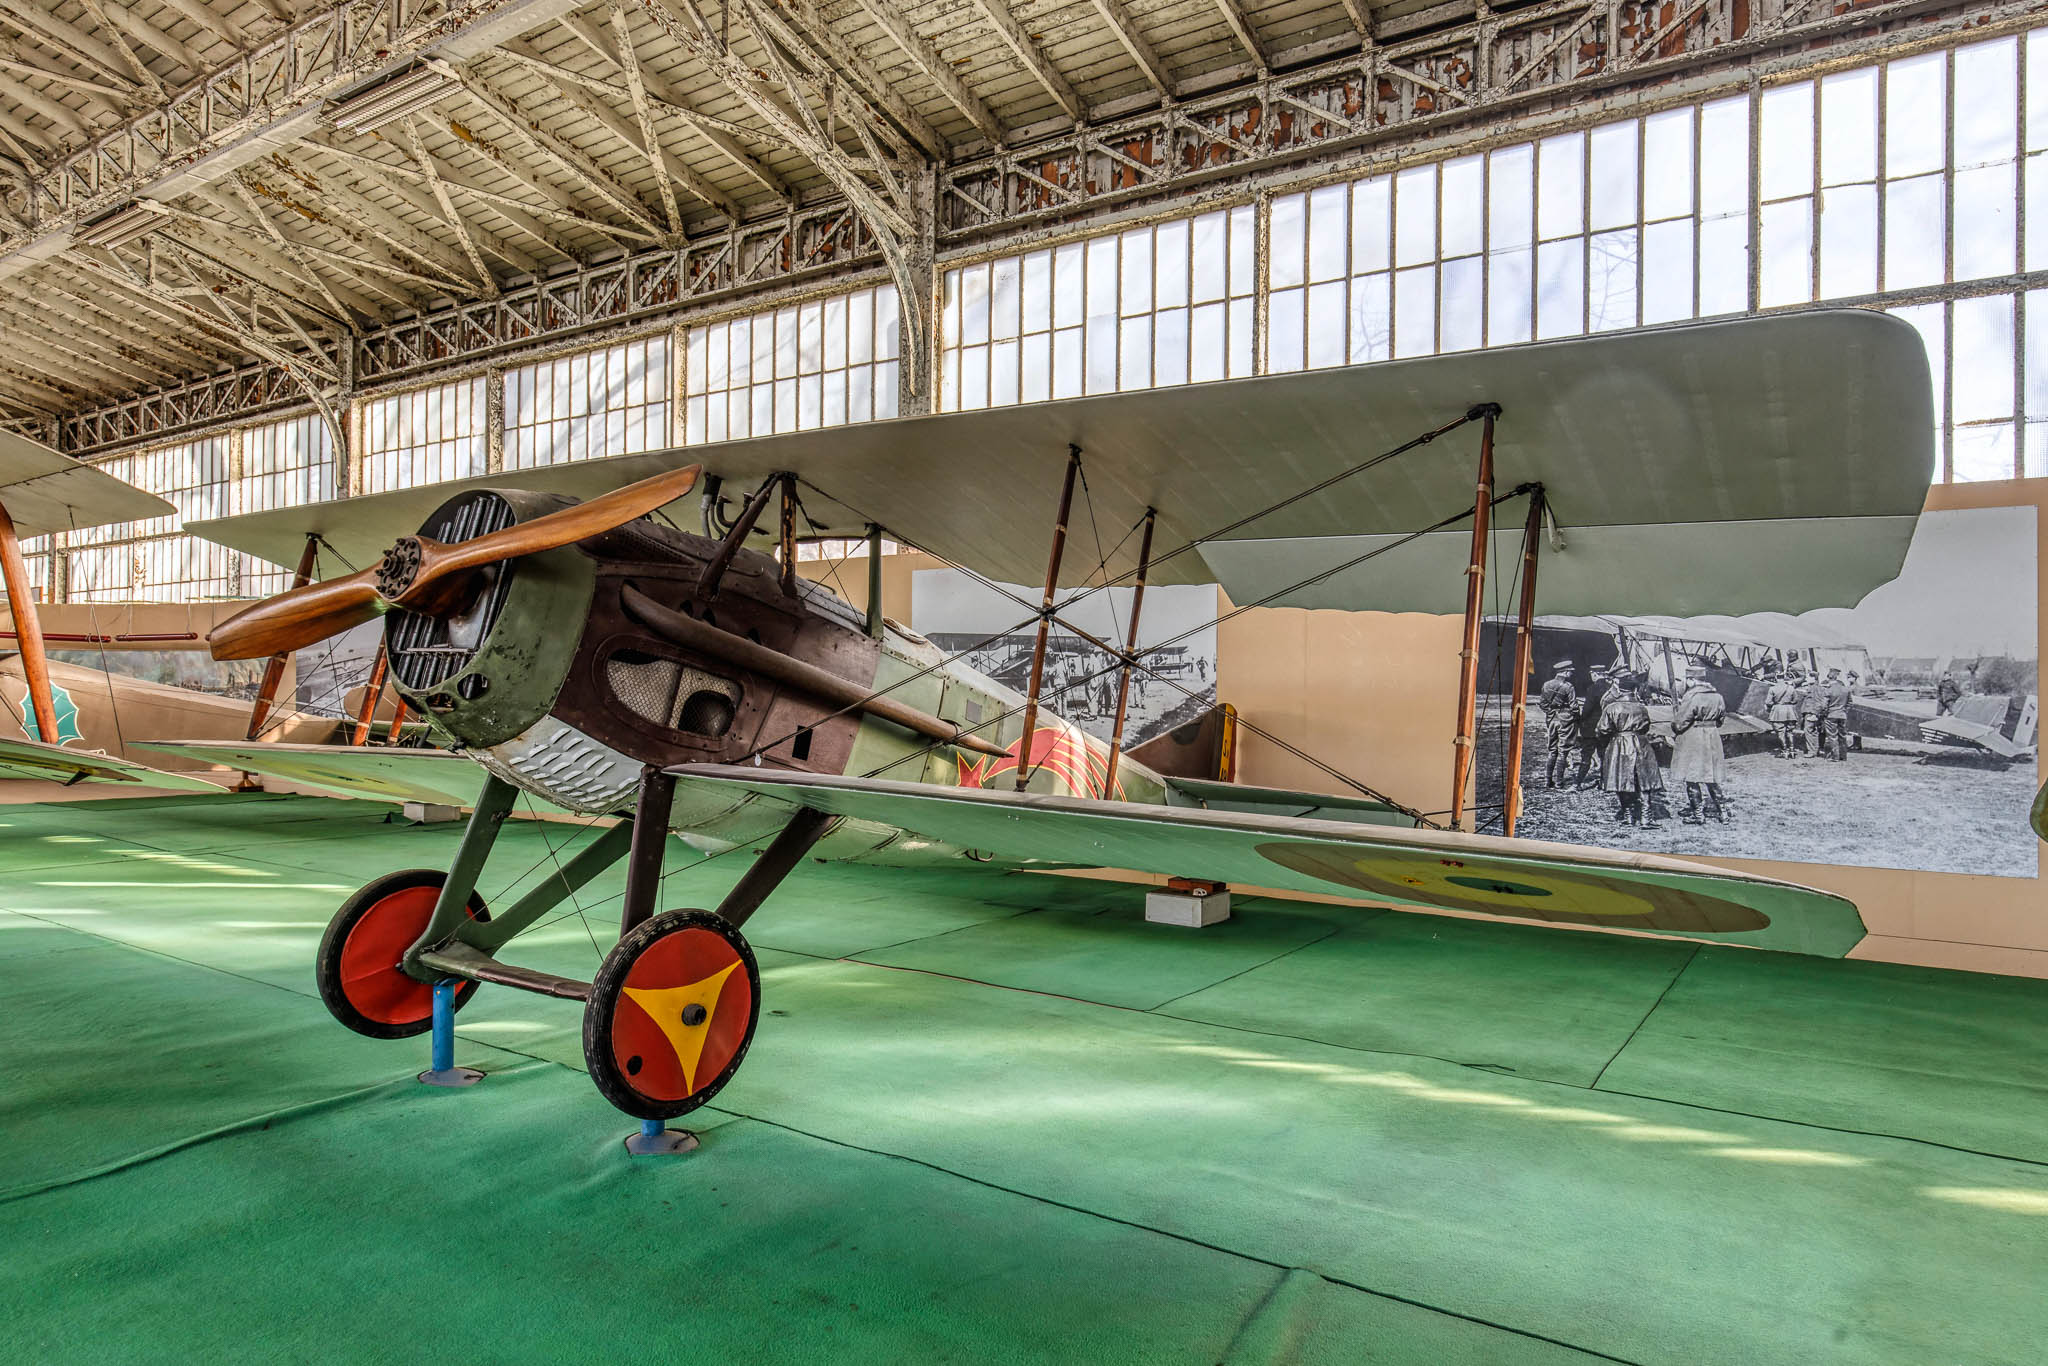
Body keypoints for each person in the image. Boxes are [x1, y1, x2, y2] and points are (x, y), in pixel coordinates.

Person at [1596, 672, 1663, 828]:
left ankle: (1628, 816)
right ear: (1633, 690)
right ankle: (1646, 817)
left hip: (1619, 744)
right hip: (1641, 744)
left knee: (1621, 780)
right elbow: (1646, 726)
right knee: (1644, 782)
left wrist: (1610, 740)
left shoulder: (1611, 707)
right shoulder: (1641, 708)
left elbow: (1601, 730)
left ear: (1619, 690)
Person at [1671, 668, 1731, 822]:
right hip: (1713, 737)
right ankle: (1723, 813)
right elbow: (1721, 720)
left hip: (1694, 737)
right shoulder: (1718, 696)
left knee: (1692, 776)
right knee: (1711, 776)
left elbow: (1681, 721)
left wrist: (1676, 729)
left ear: (1691, 680)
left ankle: (1698, 815)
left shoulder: (1691, 696)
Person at [1538, 660, 1577, 788]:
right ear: (1565, 672)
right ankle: (1559, 782)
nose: (1571, 674)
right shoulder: (1568, 687)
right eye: (1570, 672)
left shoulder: (1546, 684)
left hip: (1551, 720)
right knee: (1563, 751)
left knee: (1552, 750)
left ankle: (1547, 780)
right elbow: (1574, 707)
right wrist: (1575, 717)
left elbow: (1543, 704)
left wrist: (1551, 712)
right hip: (1565, 720)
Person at [1767, 671, 1803, 759]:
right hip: (1790, 711)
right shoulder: (1791, 688)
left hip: (1778, 711)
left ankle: (1784, 751)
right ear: (1784, 678)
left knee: (1780, 732)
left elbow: (1768, 702)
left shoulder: (1772, 689)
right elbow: (1795, 700)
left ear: (1776, 678)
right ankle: (1792, 750)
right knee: (1790, 731)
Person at [1822, 667, 1853, 760]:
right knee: (1842, 735)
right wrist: (1844, 711)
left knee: (1832, 736)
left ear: (1829, 678)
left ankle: (1835, 756)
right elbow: (1850, 703)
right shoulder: (1846, 689)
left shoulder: (1829, 690)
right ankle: (1843, 756)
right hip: (1842, 715)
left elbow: (1824, 706)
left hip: (1831, 715)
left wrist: (1825, 713)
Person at [1798, 670, 1826, 758]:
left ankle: (1811, 751)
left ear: (1814, 678)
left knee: (1808, 731)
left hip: (1811, 713)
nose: (1806, 678)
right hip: (1811, 712)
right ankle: (1816, 750)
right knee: (1814, 731)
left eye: (1809, 677)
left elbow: (1819, 702)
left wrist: (1815, 714)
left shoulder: (1815, 689)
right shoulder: (1814, 687)